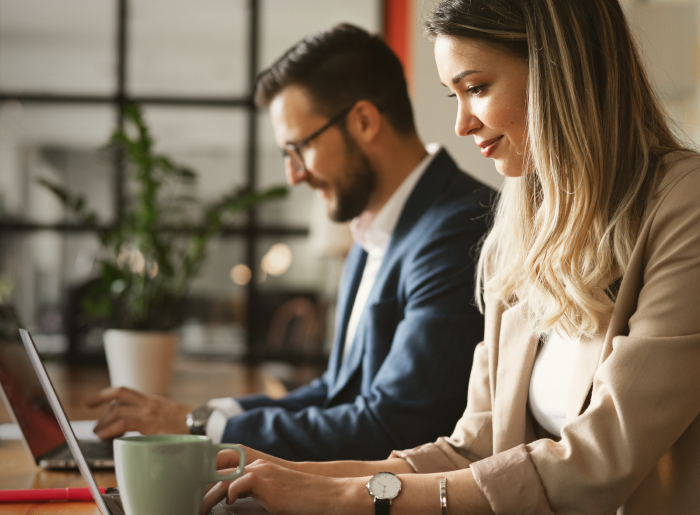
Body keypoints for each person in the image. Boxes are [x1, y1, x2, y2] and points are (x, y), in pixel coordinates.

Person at [199, 1, 700, 514]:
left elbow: (599, 462)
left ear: (560, 71)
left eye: (477, 88)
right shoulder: (521, 223)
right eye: (453, 94)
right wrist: (288, 475)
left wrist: (344, 495)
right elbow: (471, 450)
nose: (461, 125)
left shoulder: (686, 206)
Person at [86, 24, 493, 462]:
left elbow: (391, 425)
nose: (293, 174)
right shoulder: (373, 234)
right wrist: (202, 416)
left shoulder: (459, 228)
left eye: (298, 148)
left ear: (364, 121)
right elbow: (337, 393)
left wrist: (196, 426)